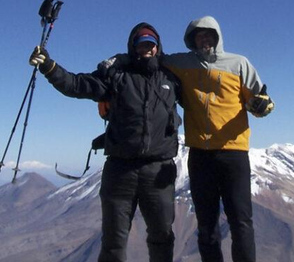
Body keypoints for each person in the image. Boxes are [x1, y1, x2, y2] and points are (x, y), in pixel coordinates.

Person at [29, 22, 181, 262]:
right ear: (133, 47)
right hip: (120, 170)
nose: (147, 50)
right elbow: (77, 85)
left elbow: (202, 96)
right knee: (113, 241)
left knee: (162, 236)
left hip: (159, 169)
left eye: (151, 45)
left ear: (157, 47)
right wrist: (49, 67)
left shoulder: (171, 77)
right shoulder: (117, 75)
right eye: (142, 45)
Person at [162, 16, 273, 262]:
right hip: (200, 154)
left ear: (218, 37)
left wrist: (261, 106)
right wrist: (118, 60)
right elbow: (151, 57)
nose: (205, 39)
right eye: (199, 35)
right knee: (206, 226)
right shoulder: (181, 63)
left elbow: (261, 99)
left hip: (233, 153)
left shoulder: (239, 64)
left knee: (241, 222)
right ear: (192, 40)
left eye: (209, 34)